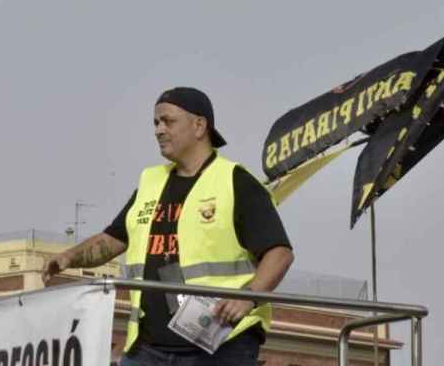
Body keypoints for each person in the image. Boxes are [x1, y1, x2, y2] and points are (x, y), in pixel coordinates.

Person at [43, 87, 294, 365]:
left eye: (168, 121)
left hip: (221, 345)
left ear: (199, 126)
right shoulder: (151, 182)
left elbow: (280, 253)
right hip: (148, 348)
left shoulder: (235, 181)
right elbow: (113, 239)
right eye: (155, 123)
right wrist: (69, 257)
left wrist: (247, 297)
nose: (159, 130)